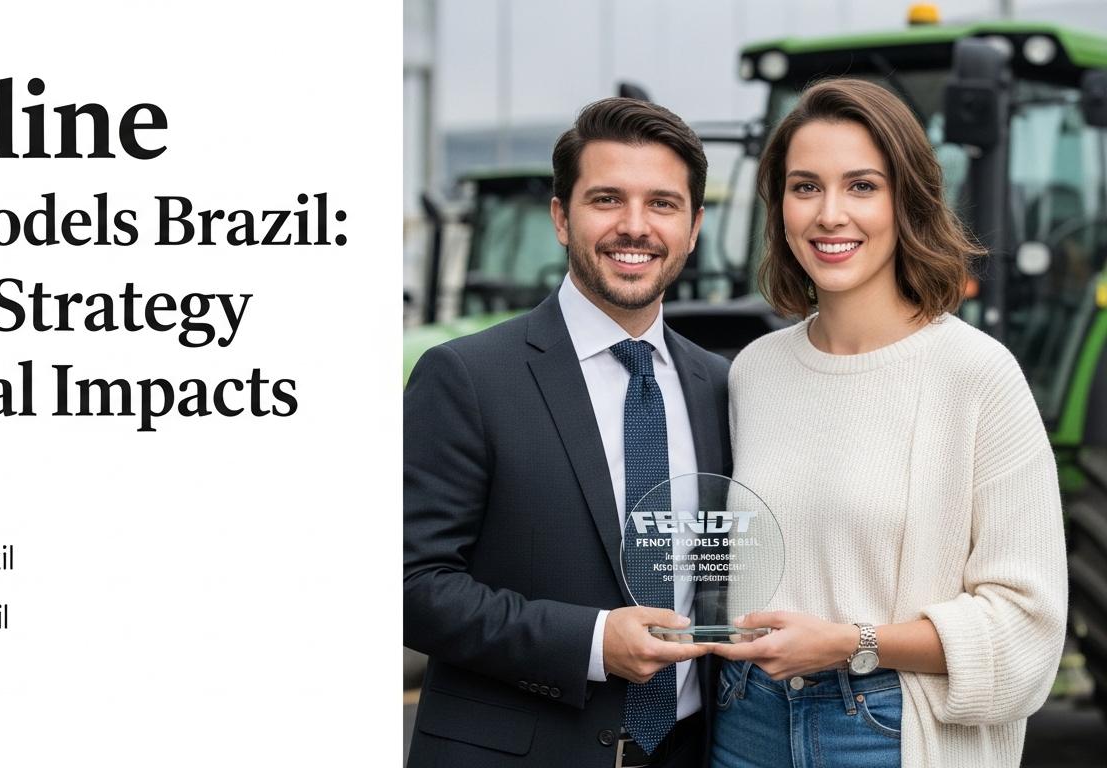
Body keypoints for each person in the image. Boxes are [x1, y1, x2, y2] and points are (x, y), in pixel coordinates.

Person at [709, 79, 1068, 767]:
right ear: (779, 206)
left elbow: (1026, 629)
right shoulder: (755, 372)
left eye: (862, 186)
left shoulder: (976, 375)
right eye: (805, 187)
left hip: (886, 727)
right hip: (745, 718)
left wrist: (851, 641)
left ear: (908, 201)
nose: (830, 214)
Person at [404, 97, 731, 767]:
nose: (634, 226)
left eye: (663, 204)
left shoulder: (721, 385)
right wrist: (591, 642)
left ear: (694, 227)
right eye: (607, 199)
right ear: (561, 217)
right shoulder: (466, 376)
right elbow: (408, 583)